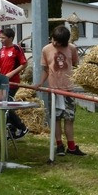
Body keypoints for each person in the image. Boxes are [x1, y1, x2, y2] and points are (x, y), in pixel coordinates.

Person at [38, 25, 84, 155]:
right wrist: (40, 83)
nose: (54, 43)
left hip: (68, 89)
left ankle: (71, 146)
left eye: (58, 42)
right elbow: (46, 69)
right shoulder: (46, 49)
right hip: (54, 90)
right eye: (53, 39)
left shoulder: (72, 49)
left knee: (69, 118)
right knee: (56, 118)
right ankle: (59, 145)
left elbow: (76, 66)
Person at [0, 27, 29, 139]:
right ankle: (12, 130)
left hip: (12, 82)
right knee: (3, 105)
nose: (1, 40)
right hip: (2, 82)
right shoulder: (2, 50)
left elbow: (24, 64)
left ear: (10, 38)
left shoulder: (16, 49)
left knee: (6, 105)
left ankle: (22, 127)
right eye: (0, 38)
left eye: (3, 38)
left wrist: (11, 74)